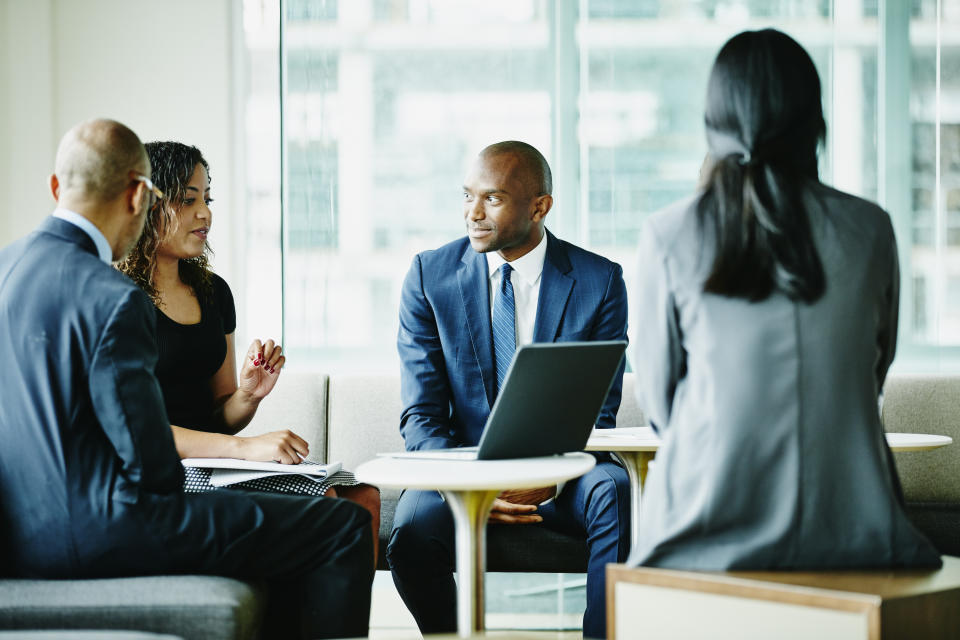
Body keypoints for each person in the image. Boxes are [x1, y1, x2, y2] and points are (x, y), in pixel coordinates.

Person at [0, 119, 374, 639]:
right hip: (99, 531)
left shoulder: (6, 267)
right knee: (344, 527)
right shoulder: (114, 298)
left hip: (16, 533)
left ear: (57, 187)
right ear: (139, 195)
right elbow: (153, 466)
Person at [631, 29, 941, 570]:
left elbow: (660, 402)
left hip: (702, 533)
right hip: (857, 529)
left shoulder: (669, 233)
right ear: (813, 120)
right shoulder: (870, 229)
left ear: (714, 121)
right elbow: (874, 369)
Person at [389, 140, 630, 639]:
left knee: (617, 493)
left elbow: (596, 411)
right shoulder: (429, 276)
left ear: (538, 206)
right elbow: (421, 416)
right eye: (467, 196)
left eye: (492, 198)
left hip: (565, 473)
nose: (472, 213)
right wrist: (469, 488)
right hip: (461, 470)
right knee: (410, 530)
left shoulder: (599, 280)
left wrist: (549, 478)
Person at [116, 141, 381, 558]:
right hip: (157, 469)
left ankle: (337, 627)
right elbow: (135, 433)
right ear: (149, 205)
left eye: (207, 198)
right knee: (328, 508)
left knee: (362, 497)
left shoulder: (213, 293)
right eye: (188, 200)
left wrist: (247, 396)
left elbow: (220, 417)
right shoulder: (118, 300)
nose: (205, 213)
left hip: (211, 461)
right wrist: (246, 449)